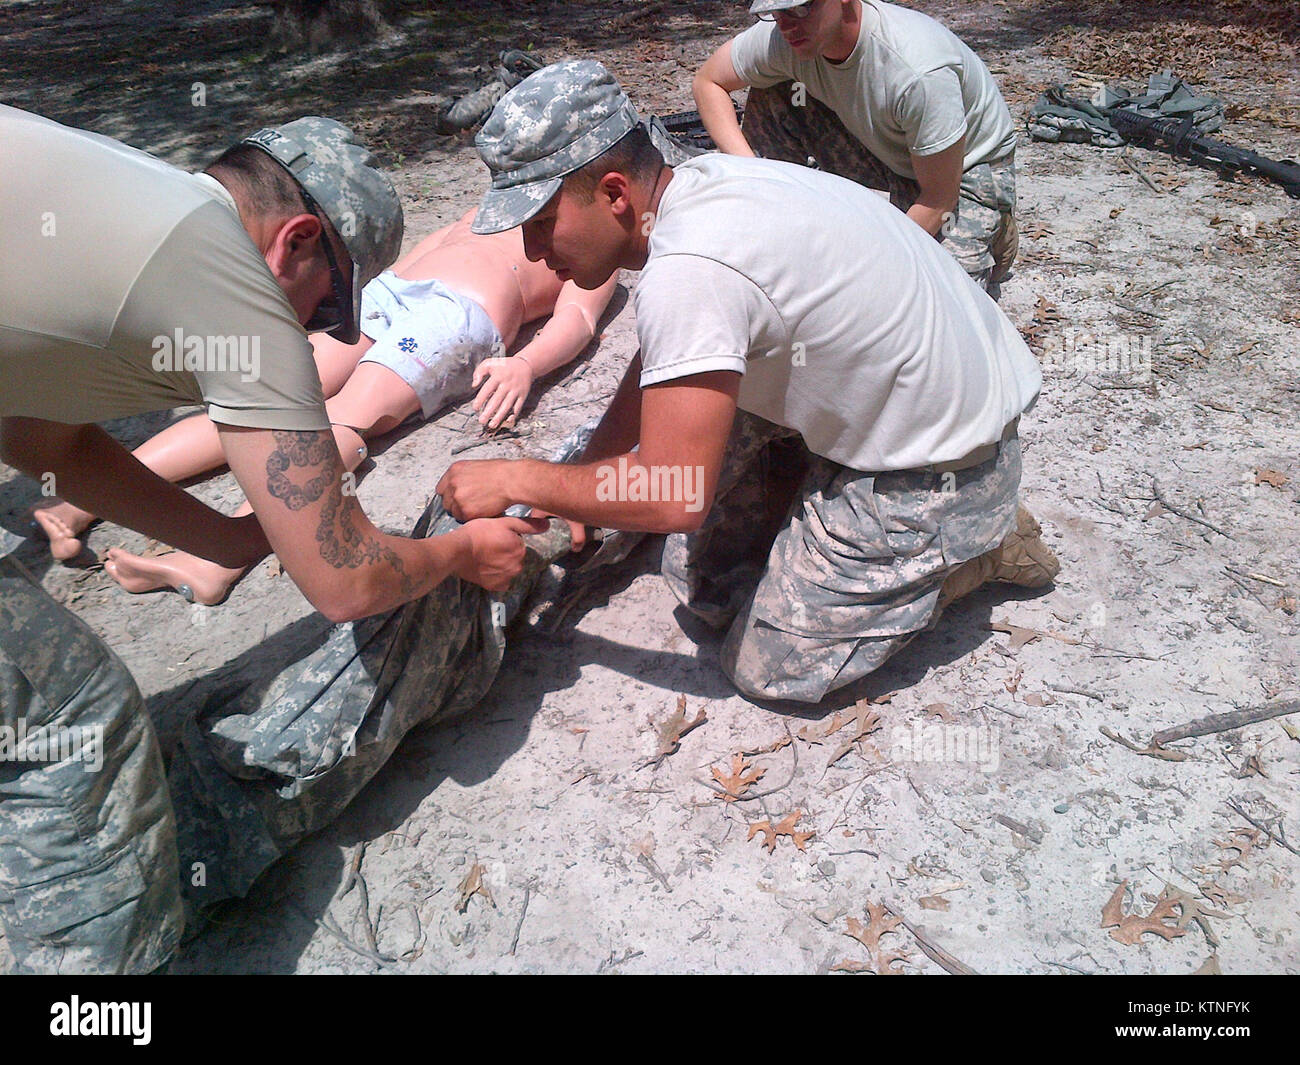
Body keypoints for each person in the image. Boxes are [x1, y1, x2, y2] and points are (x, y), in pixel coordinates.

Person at [0, 106, 543, 973]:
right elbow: (348, 585)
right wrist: (461, 556)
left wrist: (228, 535)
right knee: (76, 727)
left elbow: (46, 447)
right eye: (328, 305)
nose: (320, 332)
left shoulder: (133, 197)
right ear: (294, 241)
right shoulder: (226, 280)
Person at [436, 60, 1060, 706]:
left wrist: (520, 479)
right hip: (927, 391)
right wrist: (576, 484)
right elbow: (665, 360)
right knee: (701, 577)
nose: (534, 252)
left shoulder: (689, 267)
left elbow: (675, 493)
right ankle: (830, 495)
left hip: (952, 456)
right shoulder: (697, 181)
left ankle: (967, 547)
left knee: (768, 660)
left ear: (616, 194)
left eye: (541, 222)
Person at [30, 209, 617, 606]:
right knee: (262, 395)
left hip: (461, 313)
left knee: (348, 417)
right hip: (383, 298)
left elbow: (580, 317)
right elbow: (423, 250)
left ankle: (218, 561)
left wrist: (526, 364)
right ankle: (82, 497)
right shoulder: (497, 201)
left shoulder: (595, 232)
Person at [693, 0, 1020, 292]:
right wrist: (756, 175)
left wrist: (862, 269)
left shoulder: (918, 71)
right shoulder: (786, 38)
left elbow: (937, 200)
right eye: (776, 12)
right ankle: (780, 219)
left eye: (802, 7)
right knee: (774, 90)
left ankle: (993, 228)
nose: (788, 25)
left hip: (962, 173)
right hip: (883, 143)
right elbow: (709, 81)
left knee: (937, 304)